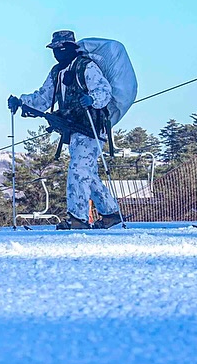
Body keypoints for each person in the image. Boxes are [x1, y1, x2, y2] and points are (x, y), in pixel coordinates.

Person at [8, 30, 122, 230]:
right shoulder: (56, 72)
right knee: (86, 172)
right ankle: (110, 214)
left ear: (70, 48)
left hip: (92, 128)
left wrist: (92, 100)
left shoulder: (86, 67)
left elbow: (104, 91)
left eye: (60, 49)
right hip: (73, 129)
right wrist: (22, 102)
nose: (56, 54)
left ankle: (77, 219)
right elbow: (43, 97)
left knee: (78, 170)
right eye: (54, 50)